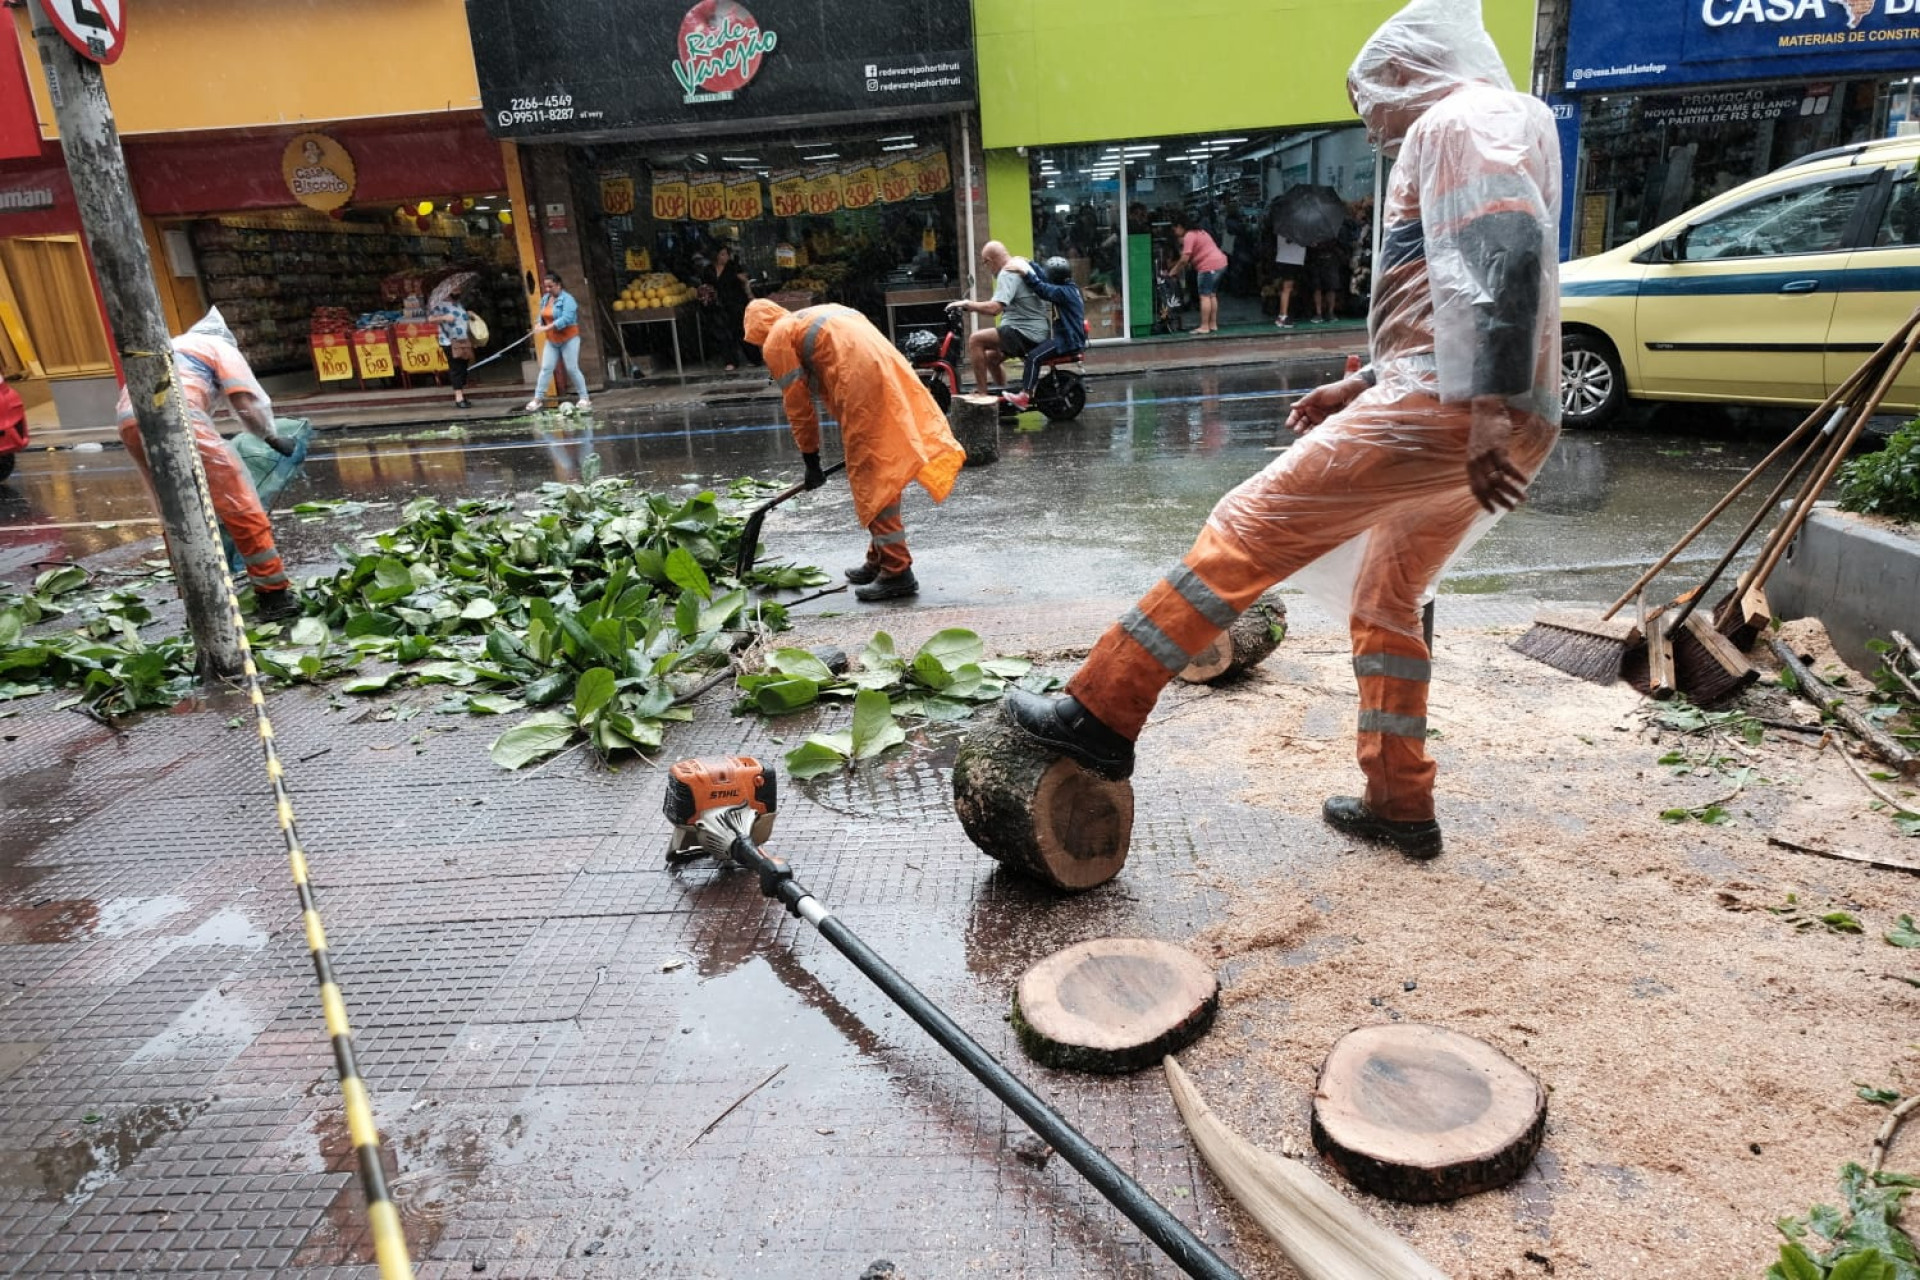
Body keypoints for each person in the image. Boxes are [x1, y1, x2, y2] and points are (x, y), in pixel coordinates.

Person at [998, 0, 1561, 861]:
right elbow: (1452, 294)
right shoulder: (1509, 122)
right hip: (1494, 411)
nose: (1372, 126)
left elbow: (1508, 258)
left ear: (1412, 72)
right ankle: (1399, 803)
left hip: (1457, 409)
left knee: (1246, 528)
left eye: (1375, 101)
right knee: (1387, 602)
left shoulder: (1459, 118)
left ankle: (1101, 710)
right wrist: (1369, 385)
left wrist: (1481, 405)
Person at [745, 298, 965, 602]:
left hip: (863, 382)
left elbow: (798, 405)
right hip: (888, 368)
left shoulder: (777, 338)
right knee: (884, 463)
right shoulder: (814, 316)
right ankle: (879, 557)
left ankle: (897, 571)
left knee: (872, 474)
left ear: (758, 332)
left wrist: (811, 459)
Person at [113, 308, 302, 621]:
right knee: (238, 502)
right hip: (178, 417)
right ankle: (275, 595)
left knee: (175, 510)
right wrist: (271, 437)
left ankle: (199, 603)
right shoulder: (220, 348)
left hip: (129, 420)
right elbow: (245, 403)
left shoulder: (176, 345)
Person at [950, 240, 1051, 395]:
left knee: (975, 340)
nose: (988, 269)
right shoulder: (1019, 263)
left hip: (1026, 333)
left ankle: (982, 394)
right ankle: (1005, 397)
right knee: (991, 359)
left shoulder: (1007, 272)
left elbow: (995, 308)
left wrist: (968, 304)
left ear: (990, 261)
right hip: (1034, 330)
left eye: (985, 264)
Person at [1002, 256, 1086, 412]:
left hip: (1067, 340)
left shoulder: (1063, 292)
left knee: (1033, 357)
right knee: (1034, 354)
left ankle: (1024, 396)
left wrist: (1025, 272)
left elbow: (1042, 288)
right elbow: (1046, 280)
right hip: (1068, 338)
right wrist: (1029, 263)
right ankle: (1029, 389)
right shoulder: (1069, 287)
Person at [527, 270, 590, 413]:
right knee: (546, 368)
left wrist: (548, 326)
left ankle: (584, 397)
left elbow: (567, 319)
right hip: (552, 340)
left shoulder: (568, 299)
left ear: (559, 285)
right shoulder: (545, 299)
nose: (548, 290)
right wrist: (538, 324)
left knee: (572, 368)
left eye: (551, 286)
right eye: (546, 287)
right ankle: (537, 400)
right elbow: (541, 315)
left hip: (569, 338)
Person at [1168, 217, 1230, 335]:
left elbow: (1184, 259)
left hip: (1208, 266)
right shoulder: (1200, 232)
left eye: (1175, 229)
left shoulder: (1189, 236)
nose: (1174, 232)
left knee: (1204, 296)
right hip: (1221, 263)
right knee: (1211, 294)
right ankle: (1212, 324)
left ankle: (1204, 326)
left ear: (1180, 226)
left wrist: (1173, 271)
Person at [700, 244, 752, 372]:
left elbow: (744, 279)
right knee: (723, 334)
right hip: (717, 305)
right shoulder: (709, 269)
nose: (725, 257)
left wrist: (743, 280)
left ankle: (753, 357)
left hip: (735, 303)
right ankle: (730, 361)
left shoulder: (733, 267)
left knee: (740, 331)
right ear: (716, 256)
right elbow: (705, 285)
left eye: (726, 254)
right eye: (722, 254)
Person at [431, 291, 476, 409]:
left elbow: (460, 317)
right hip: (450, 341)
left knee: (463, 367)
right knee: (456, 368)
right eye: (456, 289)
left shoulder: (458, 304)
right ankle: (459, 397)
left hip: (463, 340)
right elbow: (431, 319)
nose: (458, 291)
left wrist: (468, 314)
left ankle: (462, 394)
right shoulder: (439, 305)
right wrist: (444, 317)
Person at [1272, 229, 1308, 327]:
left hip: (1290, 258)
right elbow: (1290, 240)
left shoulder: (1284, 225)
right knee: (1287, 287)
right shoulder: (1290, 228)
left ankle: (1282, 314)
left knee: (1287, 287)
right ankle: (1283, 316)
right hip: (1290, 259)